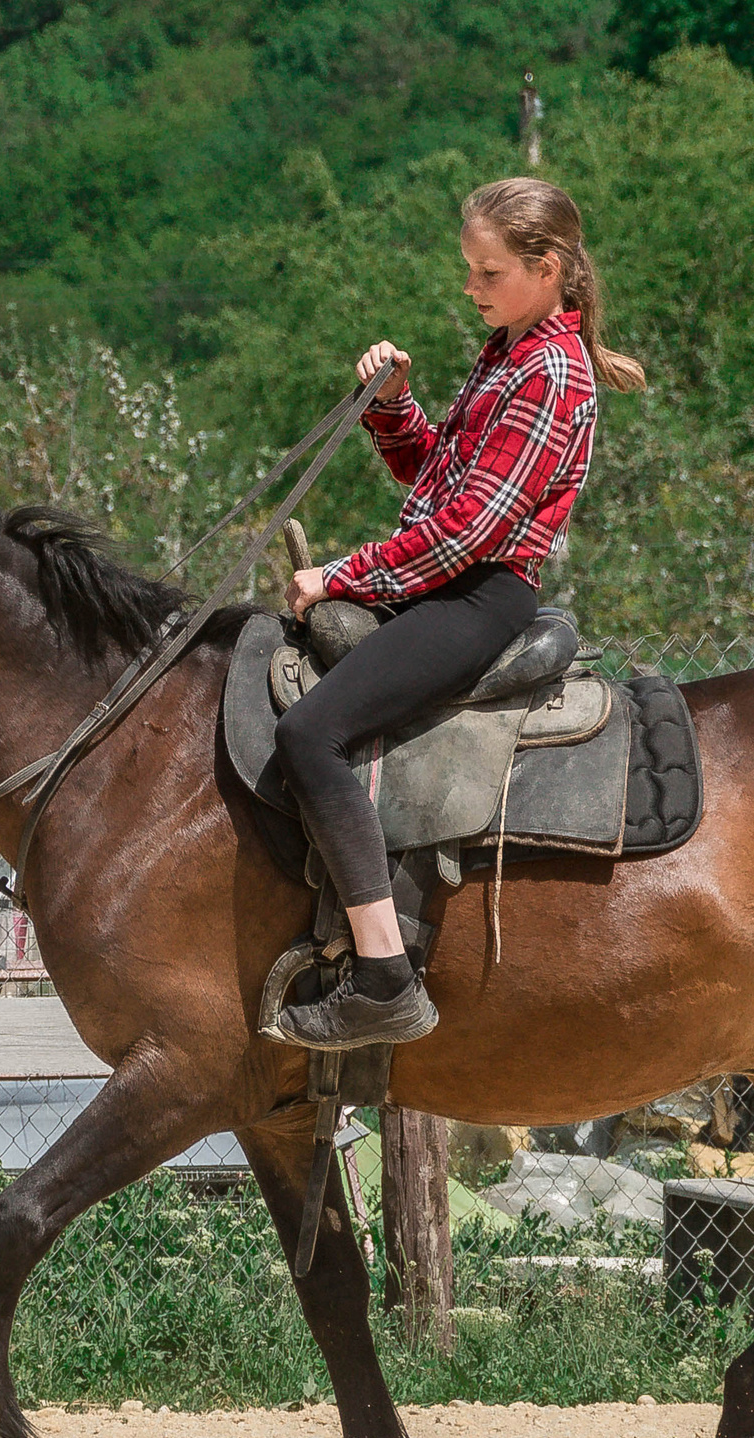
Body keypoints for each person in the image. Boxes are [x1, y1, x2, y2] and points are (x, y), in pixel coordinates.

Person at [270, 176, 648, 1050]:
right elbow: (442, 477)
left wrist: (344, 574)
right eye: (469, 270)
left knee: (310, 737)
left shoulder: (549, 371)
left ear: (546, 268)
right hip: (454, 580)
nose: (471, 289)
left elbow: (470, 530)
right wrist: (395, 404)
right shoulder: (507, 351)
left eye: (487, 272)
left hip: (482, 594)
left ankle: (382, 975)